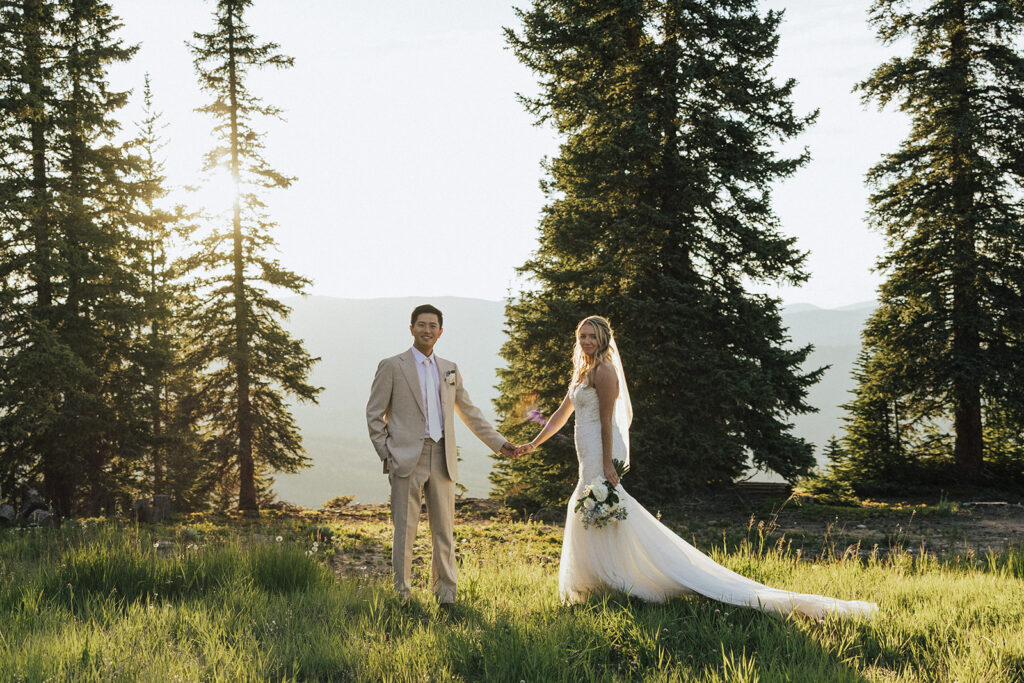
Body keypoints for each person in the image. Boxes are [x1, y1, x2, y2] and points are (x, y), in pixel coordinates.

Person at [514, 315, 878, 619]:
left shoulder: (605, 371)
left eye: (592, 336)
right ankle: (599, 583)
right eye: (582, 336)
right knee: (592, 511)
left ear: (604, 338)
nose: (587, 341)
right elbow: (561, 414)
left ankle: (625, 578)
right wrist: (533, 442)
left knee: (600, 508)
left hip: (599, 450)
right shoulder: (582, 371)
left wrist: (608, 462)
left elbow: (608, 421)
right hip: (585, 453)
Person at [366, 304, 517, 605]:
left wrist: (500, 444)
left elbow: (470, 412)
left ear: (440, 331)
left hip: (443, 457)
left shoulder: (449, 369)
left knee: (444, 532)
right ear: (411, 329)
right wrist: (388, 454)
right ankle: (402, 597)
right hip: (406, 457)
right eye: (421, 325)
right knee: (404, 532)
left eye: (433, 326)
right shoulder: (392, 366)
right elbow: (374, 414)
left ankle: (446, 597)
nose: (427, 330)